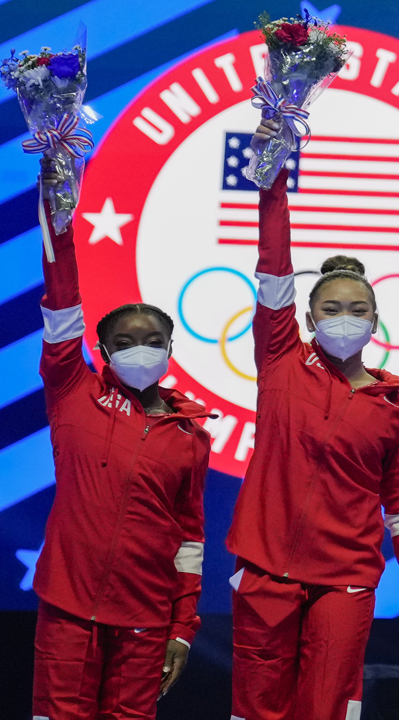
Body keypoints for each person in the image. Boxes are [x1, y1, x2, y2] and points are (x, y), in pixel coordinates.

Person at [225, 118, 399, 720]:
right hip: (265, 571)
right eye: (329, 308)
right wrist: (275, 170)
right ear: (309, 314)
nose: (343, 318)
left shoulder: (397, 405)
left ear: (376, 320)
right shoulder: (280, 360)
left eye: (357, 309)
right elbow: (272, 266)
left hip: (345, 581)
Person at [30, 157, 212, 719]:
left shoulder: (189, 435)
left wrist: (182, 629)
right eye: (126, 340)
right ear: (103, 352)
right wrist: (58, 208)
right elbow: (62, 304)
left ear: (170, 348)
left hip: (145, 618)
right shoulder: (72, 390)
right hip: (67, 607)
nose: (142, 347)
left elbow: (189, 539)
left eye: (154, 339)